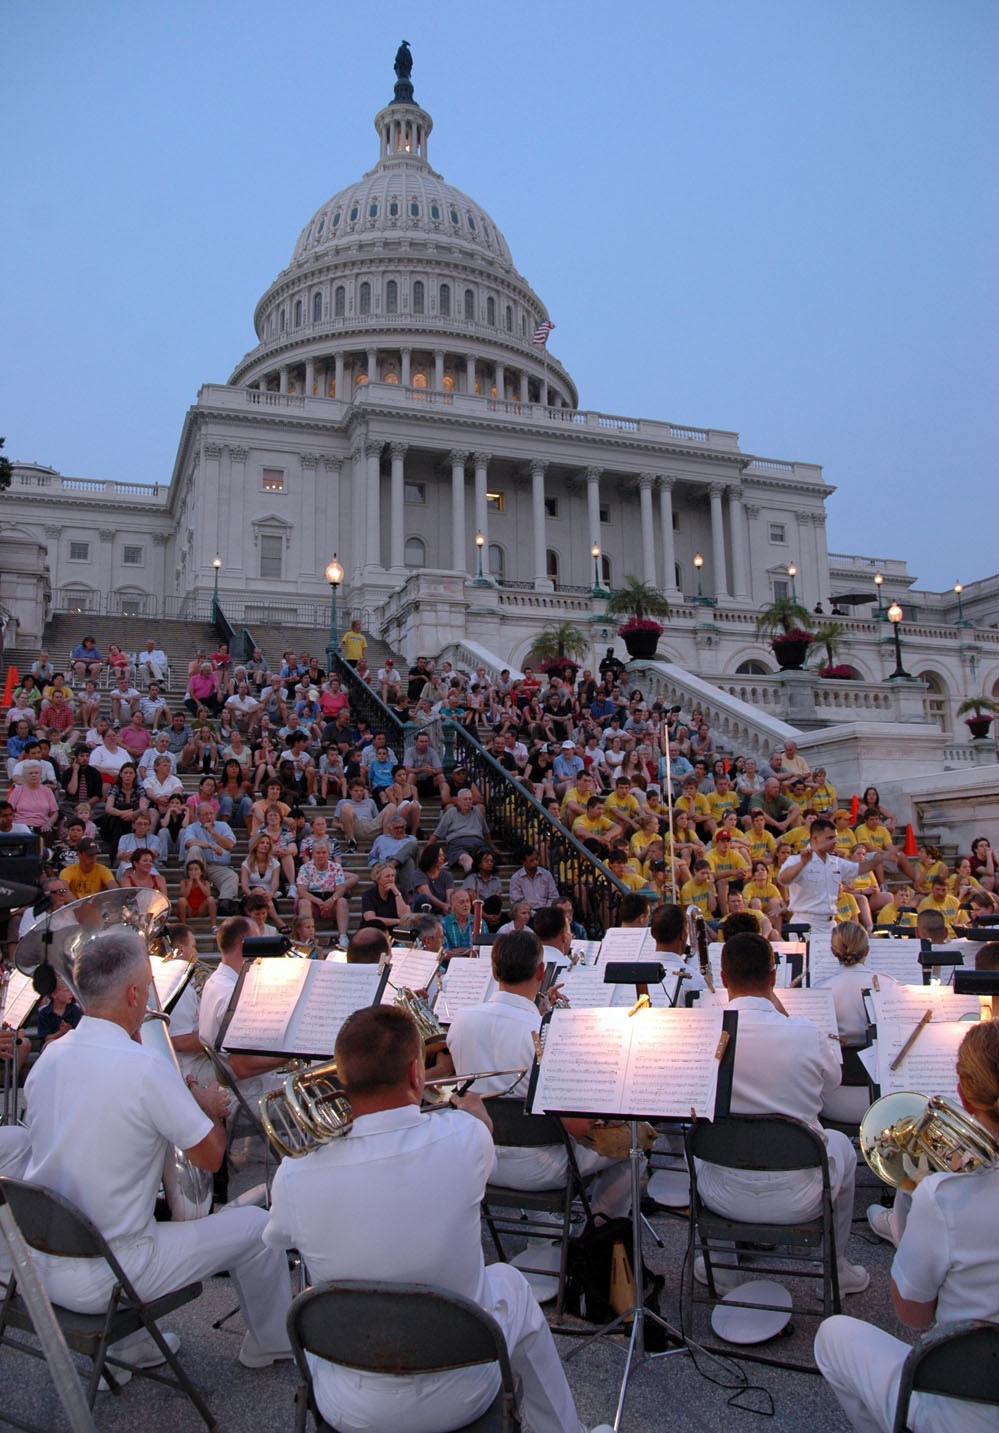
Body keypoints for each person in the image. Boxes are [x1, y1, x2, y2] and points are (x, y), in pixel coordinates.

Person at [263, 1003, 613, 1433]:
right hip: (461, 1391)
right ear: (416, 1073)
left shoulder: (295, 1172)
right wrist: (479, 1120)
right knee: (512, 1285)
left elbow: (277, 1236)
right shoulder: (464, 1137)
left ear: (341, 1078)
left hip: (345, 1403)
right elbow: (472, 1165)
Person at [23, 929, 294, 1371]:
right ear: (134, 993)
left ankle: (129, 1348)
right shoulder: (144, 1066)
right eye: (149, 984)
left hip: (41, 1263)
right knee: (255, 1227)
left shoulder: (51, 1056)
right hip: (112, 1270)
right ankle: (271, 1341)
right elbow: (210, 1158)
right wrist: (205, 1108)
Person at [815, 1019, 999, 1433]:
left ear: (966, 1099)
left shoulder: (944, 1196)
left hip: (966, 1405)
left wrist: (916, 1198)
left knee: (832, 1336)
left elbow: (912, 1315)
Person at [694, 931, 869, 1296]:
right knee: (843, 1147)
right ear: (773, 978)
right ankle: (834, 1271)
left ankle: (723, 1270)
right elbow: (833, 1081)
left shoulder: (701, 1034)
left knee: (697, 1135)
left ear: (723, 979)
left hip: (721, 1192)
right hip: (802, 1194)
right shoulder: (806, 1033)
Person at [447, 929, 631, 1216]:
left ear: (494, 973)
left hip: (483, 1157)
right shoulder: (548, 1034)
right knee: (635, 1141)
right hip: (543, 1166)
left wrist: (540, 1010)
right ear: (542, 971)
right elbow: (579, 1126)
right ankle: (601, 1229)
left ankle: (544, 1239)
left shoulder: (461, 1021)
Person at [779, 817, 895, 931]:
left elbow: (858, 868)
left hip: (830, 924)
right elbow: (783, 879)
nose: (835, 842)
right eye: (830, 838)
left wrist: (879, 859)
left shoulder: (835, 862)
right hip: (805, 923)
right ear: (815, 838)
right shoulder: (796, 860)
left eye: (835, 837)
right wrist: (802, 863)